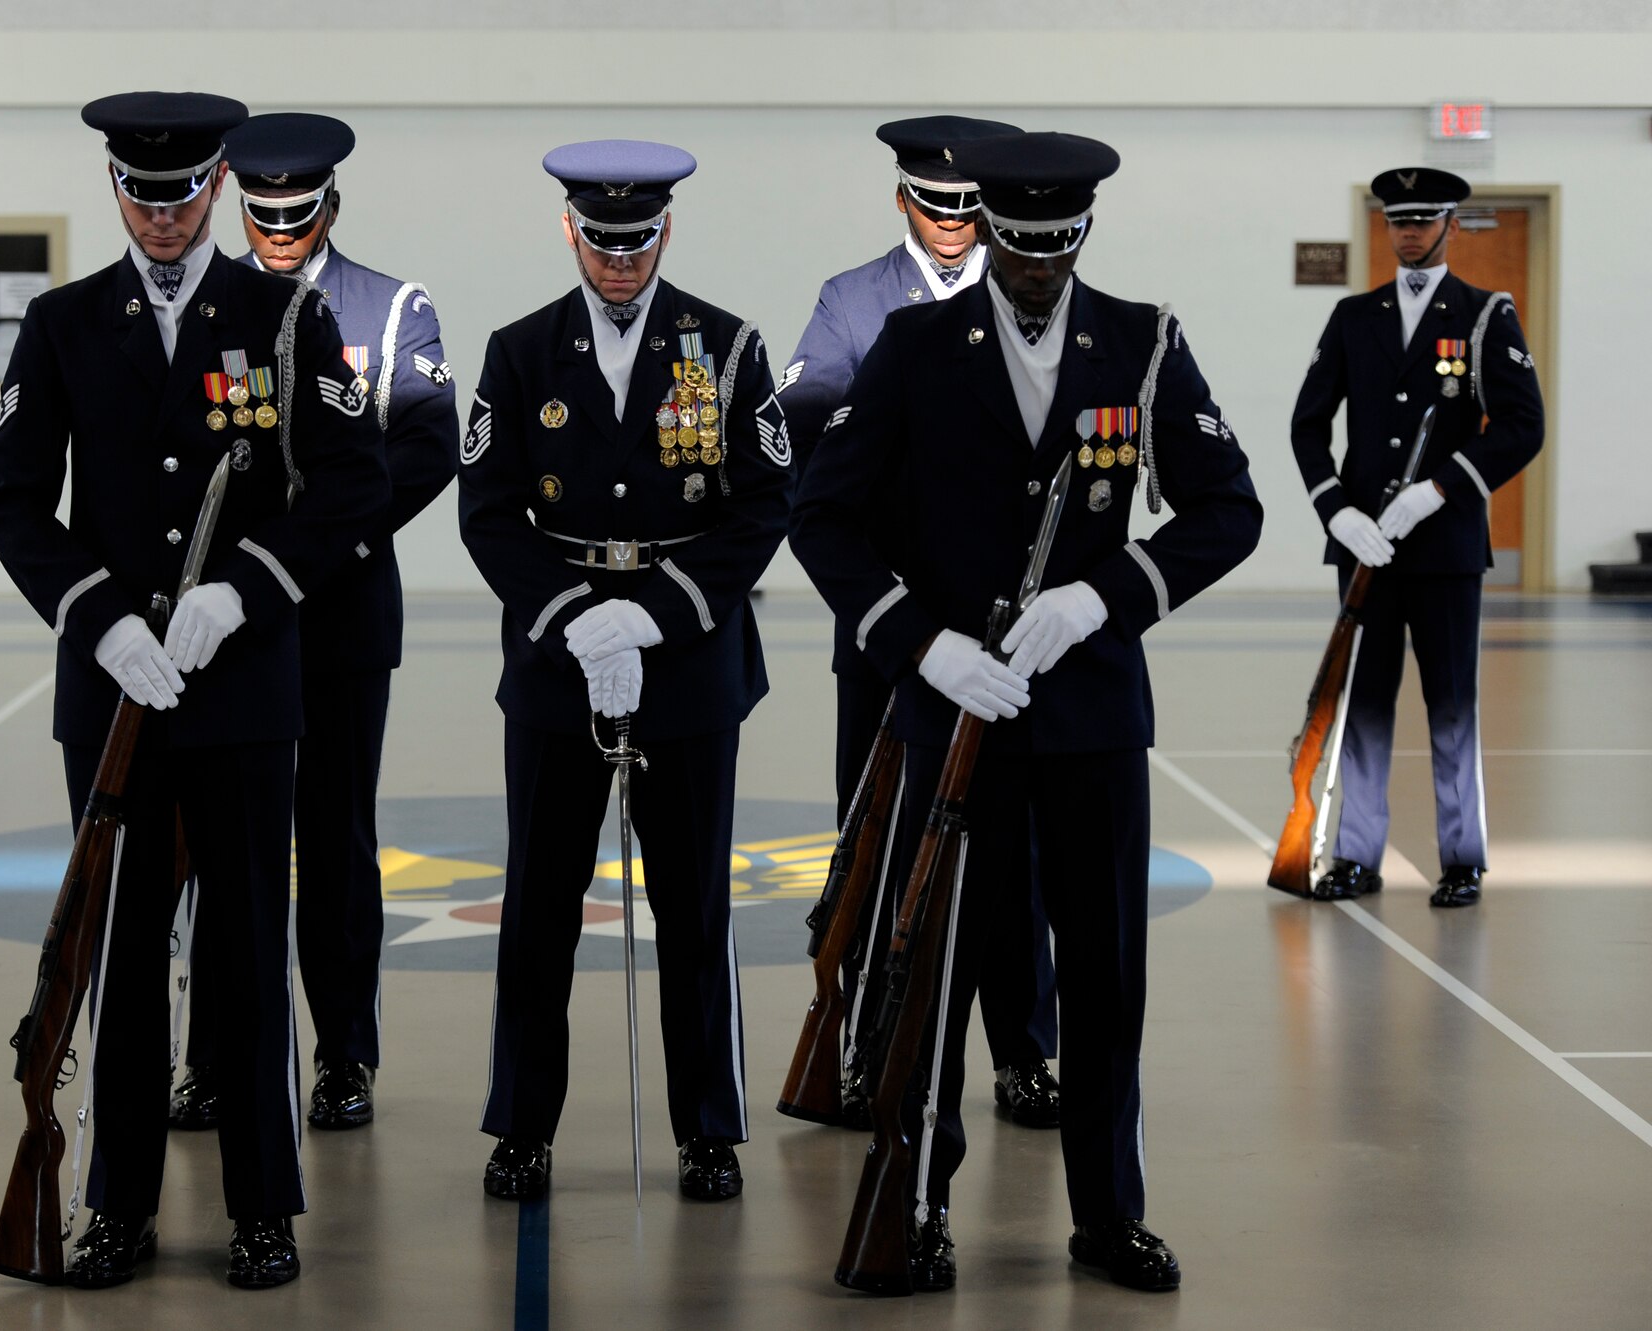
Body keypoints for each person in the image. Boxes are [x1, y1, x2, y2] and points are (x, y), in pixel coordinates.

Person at [791, 130, 1262, 1293]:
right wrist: (920, 642)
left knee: (1103, 976)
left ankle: (1107, 1214)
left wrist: (1107, 596)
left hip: (1090, 715)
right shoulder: (909, 346)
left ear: (1083, 233)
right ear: (988, 231)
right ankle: (915, 1201)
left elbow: (1226, 508)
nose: (1035, 268)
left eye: (1056, 246)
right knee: (932, 976)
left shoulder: (1143, 345)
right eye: (1017, 245)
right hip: (954, 712)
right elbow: (822, 516)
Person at [0, 91, 389, 1290]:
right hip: (112, 691)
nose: (163, 218)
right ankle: (118, 1204)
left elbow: (351, 481)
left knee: (249, 950)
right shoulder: (60, 325)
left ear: (216, 186)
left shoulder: (283, 316)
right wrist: (97, 616)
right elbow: (12, 502)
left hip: (240, 684)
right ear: (117, 192)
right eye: (141, 196)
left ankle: (263, 1206)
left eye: (183, 195)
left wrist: (246, 589)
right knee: (118, 953)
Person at [457, 139, 792, 1203]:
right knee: (539, 905)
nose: (617, 260)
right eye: (599, 241)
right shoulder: (517, 352)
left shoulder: (727, 348)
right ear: (570, 231)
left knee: (693, 905)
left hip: (686, 661)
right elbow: (486, 510)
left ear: (664, 232)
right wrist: (571, 619)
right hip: (559, 663)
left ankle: (707, 1126)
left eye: (636, 240)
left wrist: (652, 618)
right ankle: (520, 1124)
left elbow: (761, 506)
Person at [166, 111, 459, 1134]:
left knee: (334, 840)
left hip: (336, 611)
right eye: (263, 214)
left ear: (331, 204)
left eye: (298, 214)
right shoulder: (205, 305)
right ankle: (212, 1057)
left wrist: (312, 541)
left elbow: (427, 447)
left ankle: (343, 1054)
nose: (280, 231)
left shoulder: (389, 309)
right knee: (219, 845)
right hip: (230, 621)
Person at [780, 114, 1061, 1133]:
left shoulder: (1030, 298)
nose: (950, 224)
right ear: (903, 201)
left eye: (965, 209)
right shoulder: (851, 303)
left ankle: (1024, 1050)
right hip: (894, 623)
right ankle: (865, 1043)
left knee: (1015, 850)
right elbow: (808, 435)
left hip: (1006, 630)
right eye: (933, 205)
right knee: (879, 842)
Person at [1290, 166, 1545, 908]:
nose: (1407, 231)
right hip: (1366, 547)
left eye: (1421, 219)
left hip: (1445, 550)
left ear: (1450, 226)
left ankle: (1462, 856)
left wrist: (1440, 489)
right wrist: (1335, 507)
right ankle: (1358, 854)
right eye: (1396, 220)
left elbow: (1523, 426)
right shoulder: (1351, 316)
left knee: (1452, 702)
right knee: (1365, 702)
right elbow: (1308, 423)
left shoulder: (1483, 315)